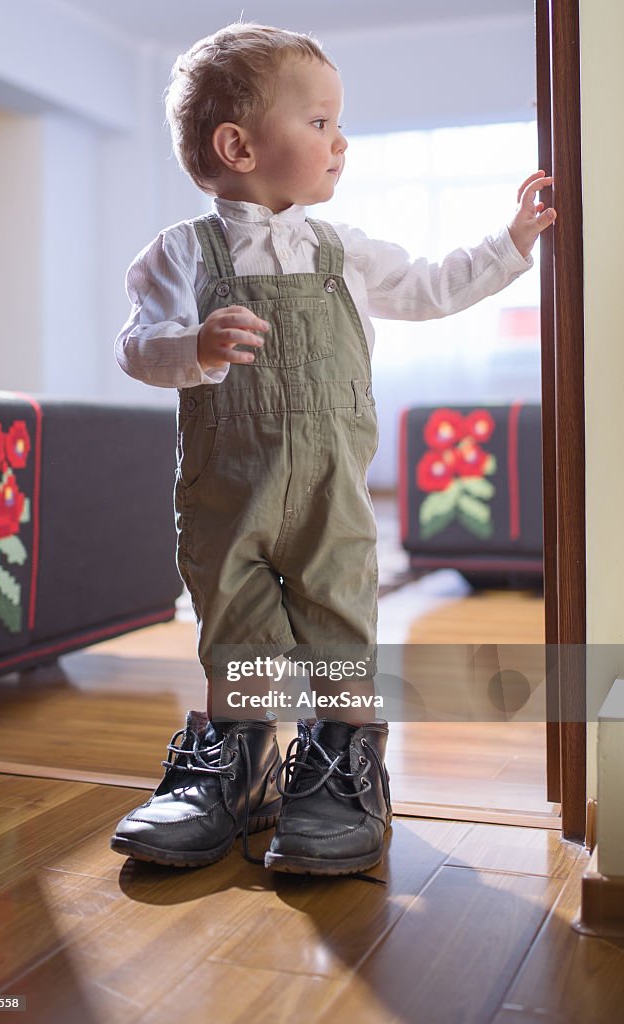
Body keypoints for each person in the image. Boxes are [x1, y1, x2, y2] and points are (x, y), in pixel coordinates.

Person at [110, 22, 556, 878]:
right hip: (225, 493)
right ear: (237, 145)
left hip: (328, 493)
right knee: (232, 629)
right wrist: (194, 349)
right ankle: (232, 770)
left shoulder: (339, 249)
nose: (338, 141)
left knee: (338, 620)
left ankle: (343, 767)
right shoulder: (176, 254)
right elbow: (138, 347)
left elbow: (429, 287)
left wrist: (509, 247)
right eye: (317, 122)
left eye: (336, 123)